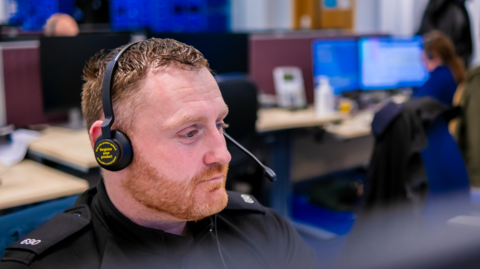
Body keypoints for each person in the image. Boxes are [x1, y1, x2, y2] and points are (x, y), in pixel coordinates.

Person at [0, 38, 317, 268]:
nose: (223, 156)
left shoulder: (264, 229)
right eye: (189, 132)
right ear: (109, 146)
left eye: (220, 124)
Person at [414, 30, 466, 106]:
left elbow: (416, 103)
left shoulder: (439, 77)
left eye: (423, 58)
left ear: (432, 56)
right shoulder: (451, 71)